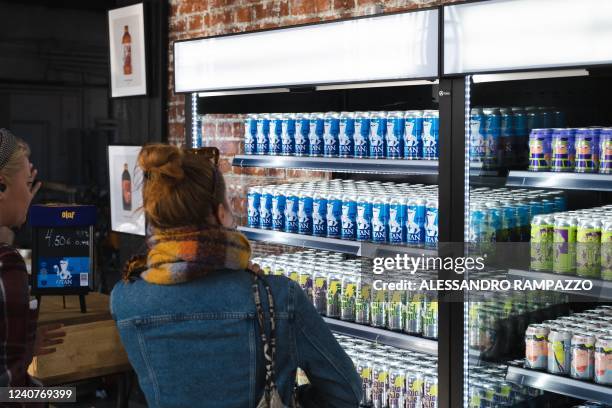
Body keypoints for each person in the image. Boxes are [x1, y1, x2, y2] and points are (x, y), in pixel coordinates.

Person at [111, 144, 362, 408]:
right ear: (221, 214)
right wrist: (295, 398)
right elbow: (347, 392)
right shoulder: (277, 296)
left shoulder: (125, 299)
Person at [0, 128, 66, 388]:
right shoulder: (7, 265)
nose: (30, 195)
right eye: (27, 184)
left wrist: (20, 347)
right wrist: (58, 397)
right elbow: (10, 393)